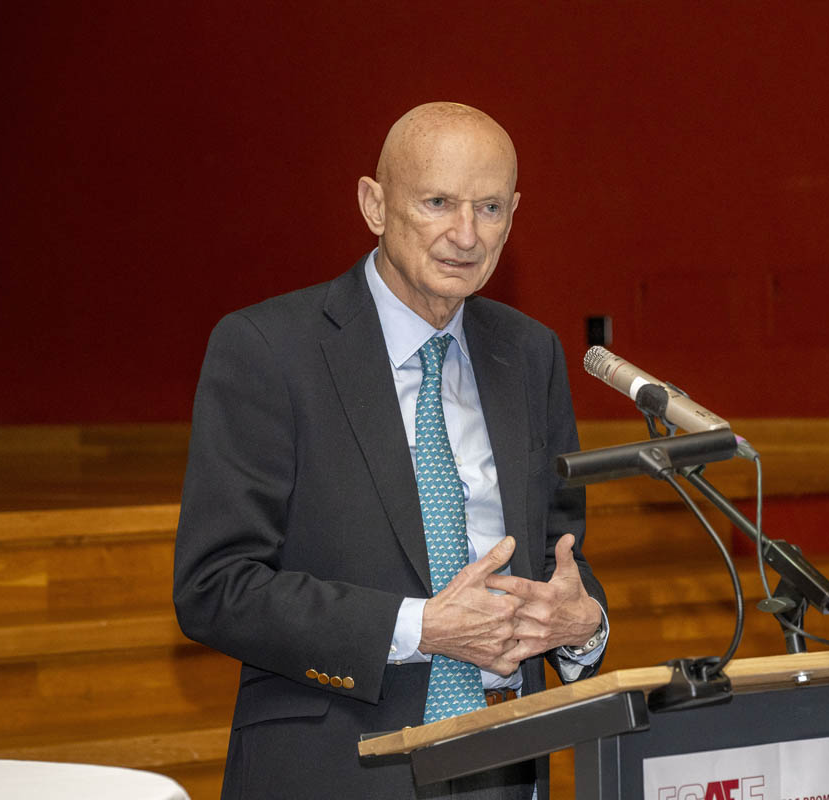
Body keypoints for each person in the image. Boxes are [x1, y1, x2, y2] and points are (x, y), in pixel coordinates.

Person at [173, 102, 608, 799]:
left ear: (513, 214)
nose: (465, 235)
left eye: (489, 208)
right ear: (374, 205)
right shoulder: (268, 350)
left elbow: (562, 559)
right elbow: (215, 587)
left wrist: (583, 628)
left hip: (505, 765)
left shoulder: (530, 354)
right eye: (437, 203)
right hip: (336, 768)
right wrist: (419, 627)